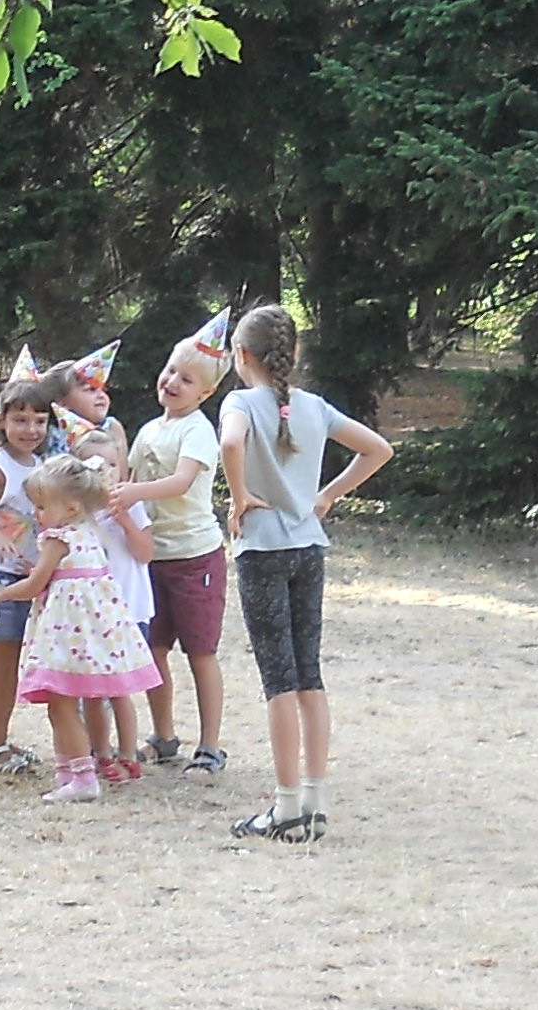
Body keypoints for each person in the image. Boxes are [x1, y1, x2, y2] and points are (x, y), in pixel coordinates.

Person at [218, 304, 392, 843]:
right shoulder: (314, 406)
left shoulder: (240, 402)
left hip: (263, 550)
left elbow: (230, 442)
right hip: (308, 549)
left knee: (278, 681)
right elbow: (378, 449)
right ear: (292, 353)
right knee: (309, 677)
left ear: (241, 355)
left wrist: (240, 496)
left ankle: (286, 806)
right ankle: (314, 801)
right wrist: (326, 496)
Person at [0, 453, 161, 807]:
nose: (36, 514)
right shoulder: (90, 534)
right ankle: (68, 771)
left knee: (61, 706)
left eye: (41, 506)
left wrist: (2, 594)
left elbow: (35, 583)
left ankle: (82, 775)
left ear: (70, 508)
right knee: (62, 705)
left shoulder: (58, 538)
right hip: (90, 636)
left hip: (66, 637)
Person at [130, 311, 234, 774]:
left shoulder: (198, 430)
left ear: (205, 393)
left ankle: (210, 746)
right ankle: (163, 735)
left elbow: (180, 481)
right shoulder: (149, 430)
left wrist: (132, 491)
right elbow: (126, 475)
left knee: (200, 652)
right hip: (153, 558)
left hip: (195, 558)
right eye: (171, 371)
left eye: (187, 379)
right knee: (153, 650)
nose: (173, 382)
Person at [0, 368, 62, 778]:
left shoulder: (42, 465)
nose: (31, 429)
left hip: (30, 576)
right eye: (21, 419)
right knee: (3, 659)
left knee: (19, 657)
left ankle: (1, 739)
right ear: (2, 420)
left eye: (39, 420)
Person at [71, 424, 157, 784]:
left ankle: (128, 754)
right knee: (92, 691)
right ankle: (100, 752)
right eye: (93, 466)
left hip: (127, 612)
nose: (103, 472)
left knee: (120, 690)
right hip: (89, 616)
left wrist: (124, 520)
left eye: (110, 465)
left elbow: (145, 553)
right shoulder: (76, 513)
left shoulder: (132, 508)